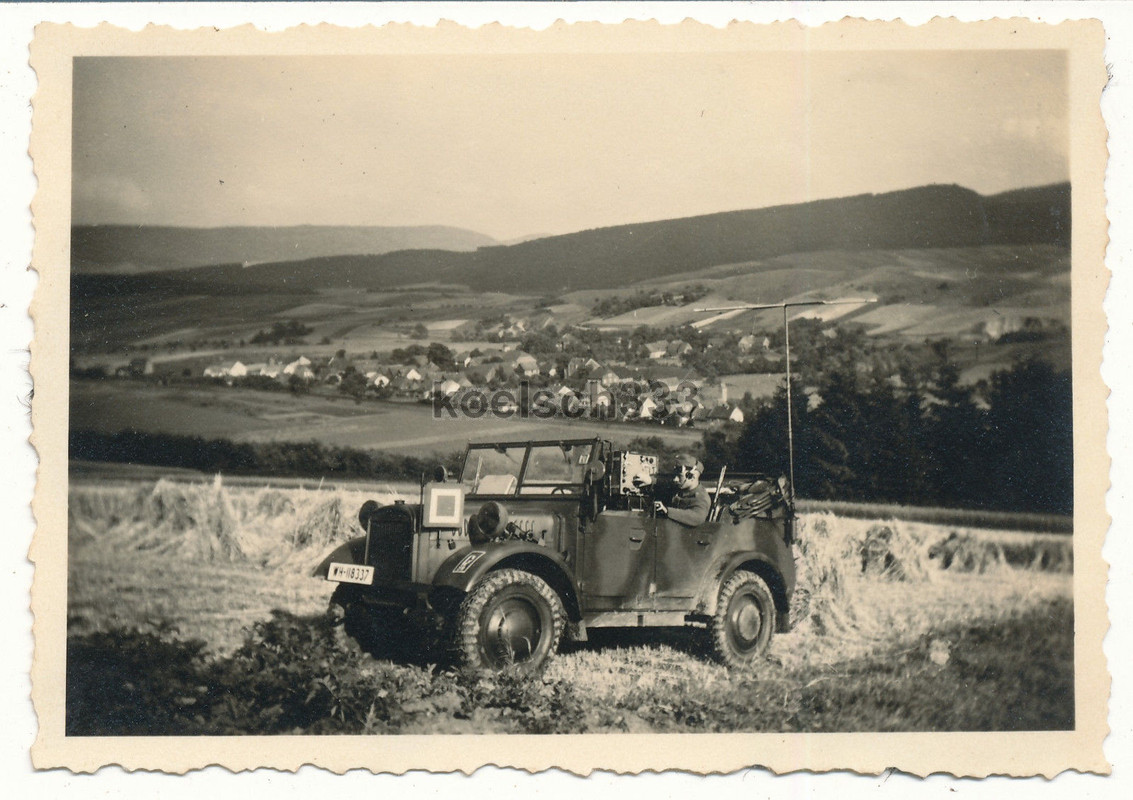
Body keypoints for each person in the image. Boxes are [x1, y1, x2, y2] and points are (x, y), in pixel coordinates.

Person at [654, 454, 710, 527]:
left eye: (679, 476)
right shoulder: (680, 486)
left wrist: (667, 511)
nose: (675, 479)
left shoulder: (702, 498)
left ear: (691, 477)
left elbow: (698, 517)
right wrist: (650, 480)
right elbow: (665, 481)